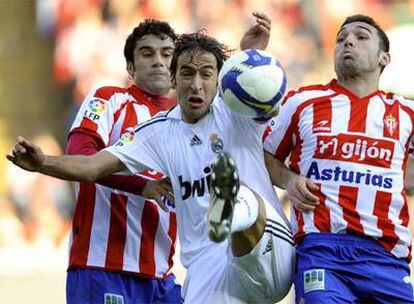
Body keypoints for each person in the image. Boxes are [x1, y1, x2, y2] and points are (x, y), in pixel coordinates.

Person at [8, 26, 296, 304]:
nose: (196, 84)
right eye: (186, 73)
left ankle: (235, 210)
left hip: (268, 251)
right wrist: (42, 163)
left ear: (219, 80)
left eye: (207, 74)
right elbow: (93, 165)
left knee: (239, 200)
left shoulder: (234, 111)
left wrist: (250, 57)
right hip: (209, 272)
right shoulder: (158, 132)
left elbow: (260, 91)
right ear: (174, 80)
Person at [263, 14, 414, 303]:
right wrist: (289, 179)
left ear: (384, 58)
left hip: (387, 257)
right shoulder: (302, 102)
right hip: (323, 252)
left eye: (361, 36)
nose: (348, 40)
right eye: (341, 37)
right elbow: (264, 152)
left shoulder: (405, 113)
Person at [64, 19, 181, 304]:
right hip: (103, 267)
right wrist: (142, 185)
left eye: (167, 54)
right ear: (130, 67)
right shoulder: (108, 100)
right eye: (147, 53)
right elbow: (81, 159)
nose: (158, 61)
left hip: (162, 276)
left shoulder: (185, 121)